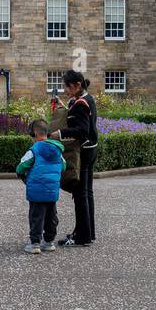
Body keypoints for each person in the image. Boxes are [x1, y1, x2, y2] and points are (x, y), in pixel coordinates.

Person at [52, 71, 97, 247]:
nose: (66, 90)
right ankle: (88, 233)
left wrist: (60, 133)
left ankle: (82, 237)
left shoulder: (81, 104)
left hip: (84, 152)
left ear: (77, 85)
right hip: (92, 149)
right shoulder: (87, 99)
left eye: (67, 86)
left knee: (80, 195)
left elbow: (81, 131)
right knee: (87, 193)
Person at [17, 119, 65, 254]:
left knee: (36, 217)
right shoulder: (57, 150)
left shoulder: (34, 150)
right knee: (51, 216)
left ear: (34, 134)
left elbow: (21, 166)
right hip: (51, 191)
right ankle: (49, 242)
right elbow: (63, 166)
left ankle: (35, 244)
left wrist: (21, 173)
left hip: (36, 192)